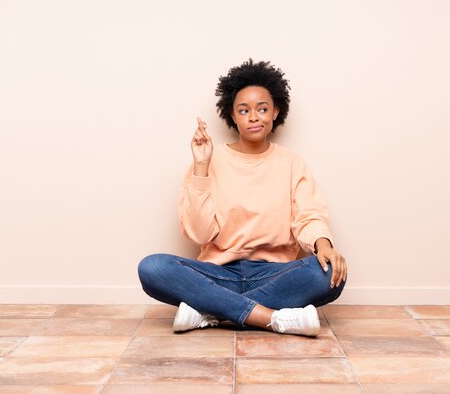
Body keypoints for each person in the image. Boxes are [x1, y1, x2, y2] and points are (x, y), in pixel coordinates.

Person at [138, 59, 347, 337]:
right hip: (217, 274)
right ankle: (270, 317)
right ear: (232, 116)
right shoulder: (210, 160)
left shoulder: (291, 162)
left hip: (275, 274)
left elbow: (308, 216)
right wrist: (201, 166)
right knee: (152, 267)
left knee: (327, 272)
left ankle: (212, 313)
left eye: (262, 109)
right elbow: (199, 234)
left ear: (275, 112)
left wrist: (324, 246)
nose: (254, 117)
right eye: (244, 110)